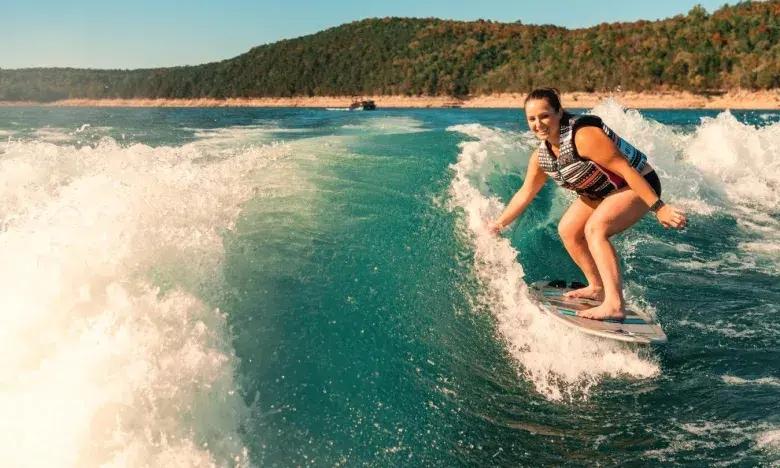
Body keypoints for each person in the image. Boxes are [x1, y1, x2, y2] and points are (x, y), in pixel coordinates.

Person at [489, 88, 686, 321]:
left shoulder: (584, 136)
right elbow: (525, 193)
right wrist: (498, 224)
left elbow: (626, 169)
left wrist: (659, 208)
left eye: (544, 116)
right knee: (568, 230)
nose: (538, 124)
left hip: (637, 184)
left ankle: (614, 304)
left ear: (559, 112)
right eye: (531, 119)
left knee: (595, 229)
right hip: (602, 191)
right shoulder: (541, 157)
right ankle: (597, 287)